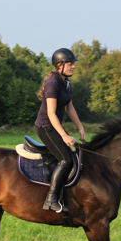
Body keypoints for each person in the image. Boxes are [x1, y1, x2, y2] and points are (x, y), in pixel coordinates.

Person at [35, 48, 86, 213]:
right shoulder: (53, 83)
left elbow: (69, 108)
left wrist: (80, 127)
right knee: (66, 160)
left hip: (53, 126)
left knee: (74, 156)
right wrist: (64, 135)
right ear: (59, 65)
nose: (73, 66)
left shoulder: (66, 82)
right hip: (45, 127)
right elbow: (51, 113)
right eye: (70, 64)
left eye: (73, 64)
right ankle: (51, 200)